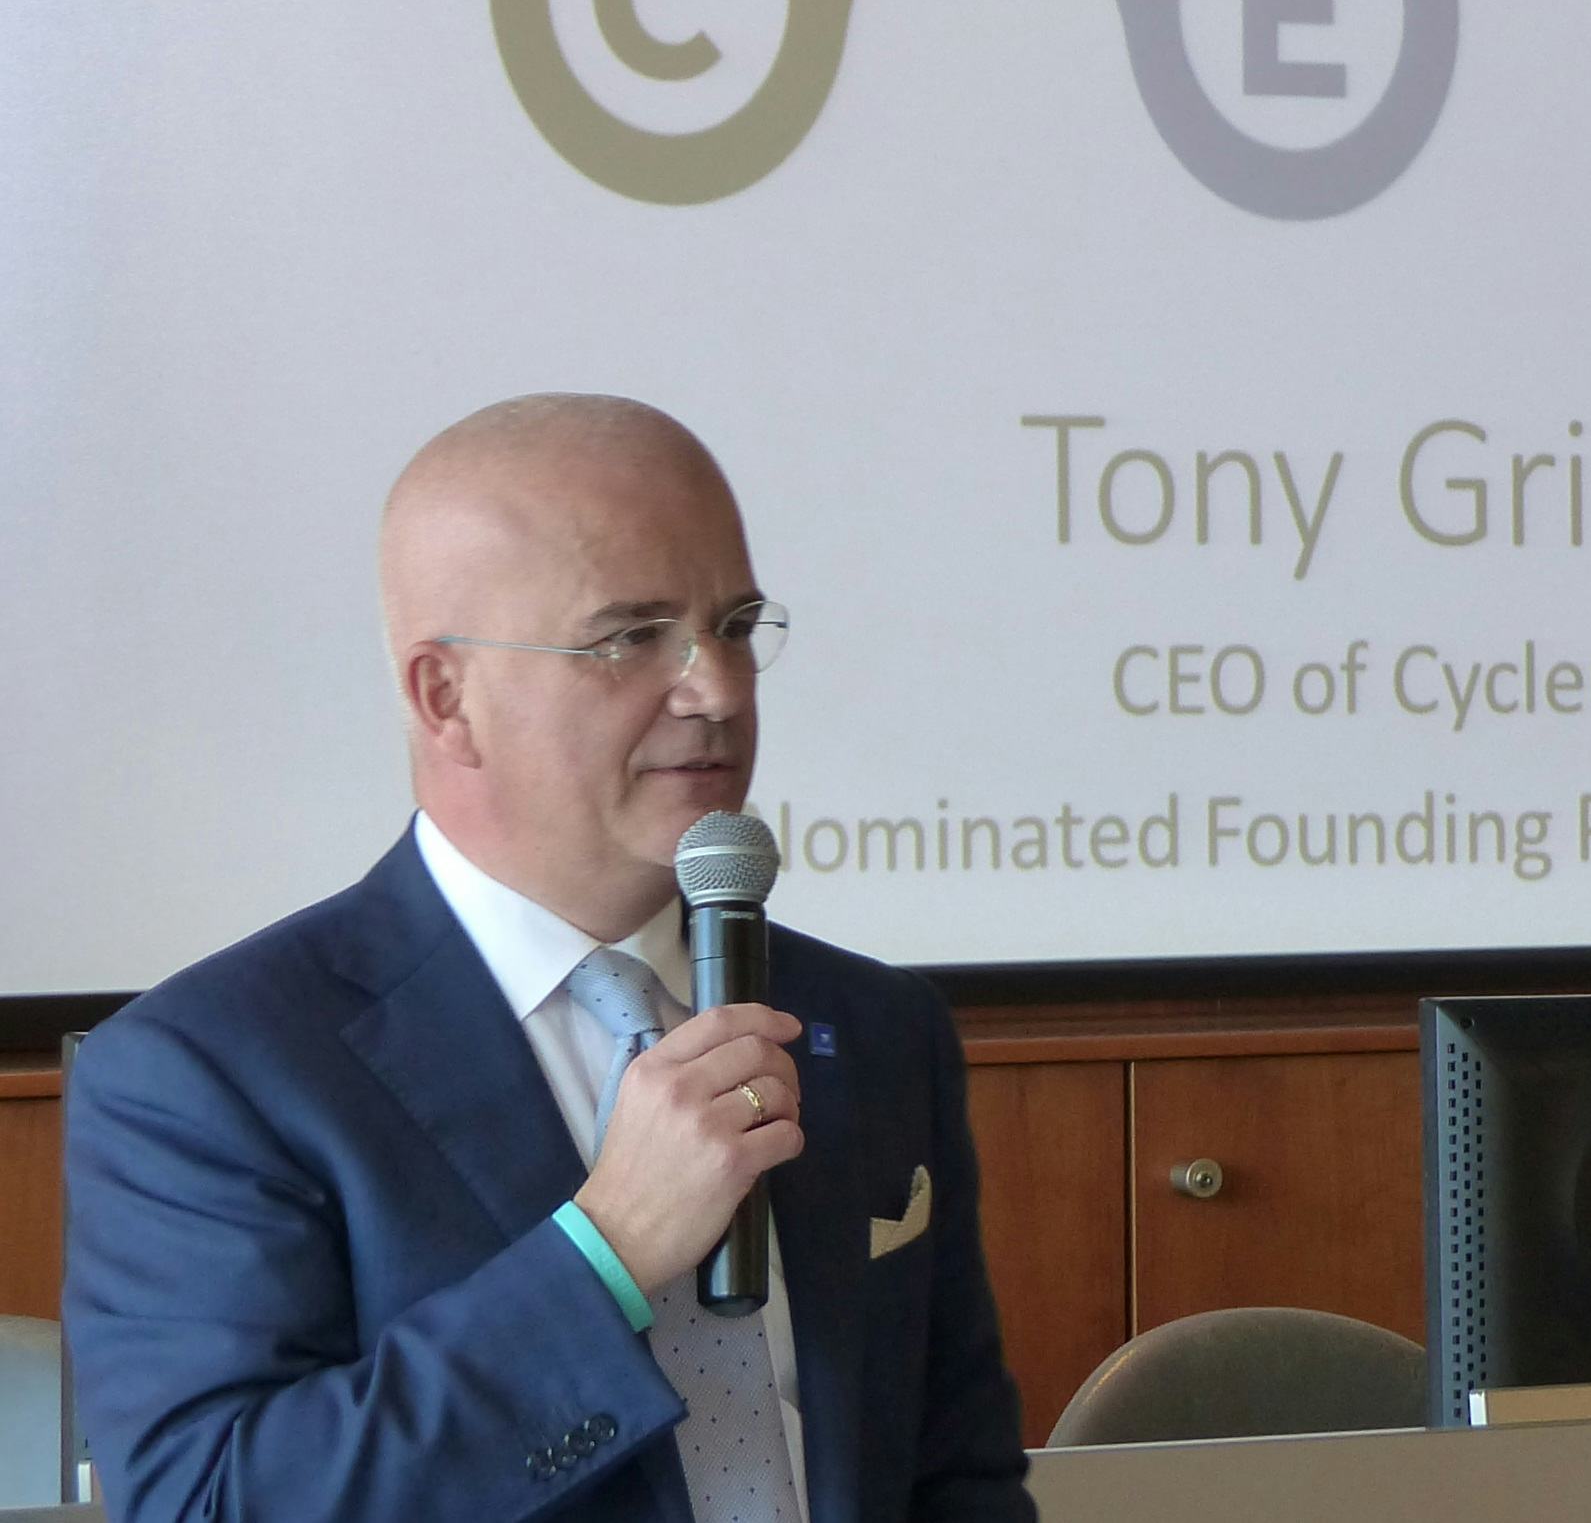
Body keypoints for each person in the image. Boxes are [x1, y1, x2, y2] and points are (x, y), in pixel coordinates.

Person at [60, 394, 1033, 1522]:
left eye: (733, 625)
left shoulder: (871, 1025)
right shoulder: (206, 1073)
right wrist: (606, 1250)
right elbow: (212, 1504)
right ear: (446, 698)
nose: (718, 690)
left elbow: (957, 1478)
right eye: (631, 636)